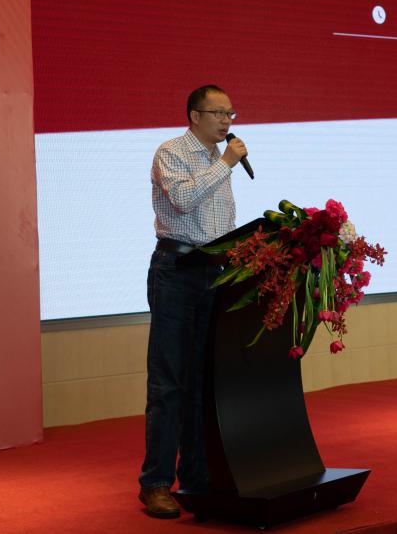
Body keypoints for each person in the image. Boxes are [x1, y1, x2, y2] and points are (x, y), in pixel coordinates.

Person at [138, 84, 248, 519]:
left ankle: (197, 479)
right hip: (177, 272)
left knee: (202, 381)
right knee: (169, 382)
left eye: (231, 113)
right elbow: (183, 202)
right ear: (194, 116)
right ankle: (156, 483)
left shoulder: (219, 159)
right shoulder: (172, 152)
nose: (227, 121)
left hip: (215, 273)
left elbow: (221, 222)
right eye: (219, 113)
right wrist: (225, 164)